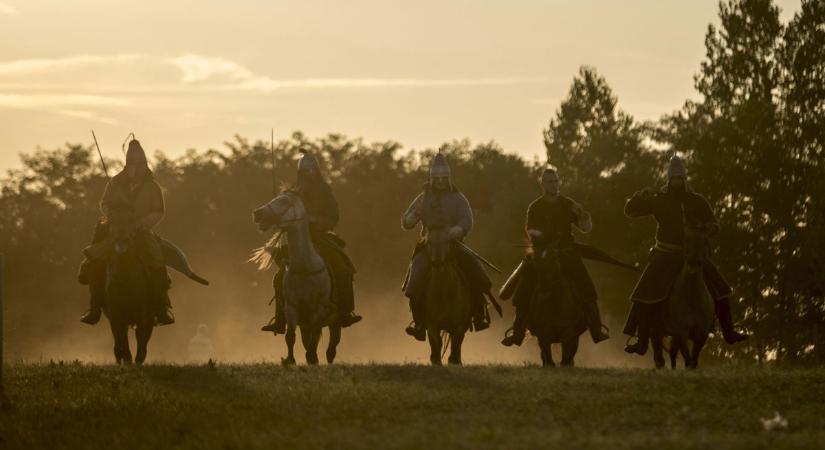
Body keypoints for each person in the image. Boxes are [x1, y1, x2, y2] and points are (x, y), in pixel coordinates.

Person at [623, 155, 748, 355]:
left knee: (721, 289)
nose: (676, 182)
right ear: (668, 179)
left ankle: (729, 331)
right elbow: (630, 211)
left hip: (694, 255)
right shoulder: (658, 200)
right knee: (643, 294)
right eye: (673, 179)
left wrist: (705, 229)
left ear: (684, 179)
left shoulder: (697, 201)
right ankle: (642, 340)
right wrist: (640, 196)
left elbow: (714, 225)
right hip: (665, 255)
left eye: (679, 179)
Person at [501, 168, 610, 346]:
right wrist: (541, 240)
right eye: (550, 182)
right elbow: (530, 230)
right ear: (542, 184)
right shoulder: (535, 207)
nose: (554, 185)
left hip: (566, 253)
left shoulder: (568, 204)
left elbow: (585, 227)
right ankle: (518, 330)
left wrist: (583, 215)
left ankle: (596, 328)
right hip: (541, 254)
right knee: (523, 290)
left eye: (556, 182)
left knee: (586, 286)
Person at [261, 152, 361, 333]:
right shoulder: (292, 193)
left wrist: (316, 221)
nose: (308, 175)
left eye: (311, 171)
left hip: (320, 238)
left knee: (342, 267)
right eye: (304, 172)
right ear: (300, 173)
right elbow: (282, 213)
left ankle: (345, 312)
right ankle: (280, 319)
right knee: (279, 277)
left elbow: (333, 216)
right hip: (295, 241)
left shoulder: (325, 192)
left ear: (317, 172)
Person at [79, 139, 175, 326]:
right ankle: (95, 308)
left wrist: (142, 223)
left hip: (141, 233)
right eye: (132, 163)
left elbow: (158, 211)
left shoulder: (152, 187)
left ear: (144, 163)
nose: (135, 168)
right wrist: (113, 216)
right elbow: (104, 204)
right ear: (127, 163)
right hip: (115, 231)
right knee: (95, 262)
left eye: (139, 163)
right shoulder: (114, 183)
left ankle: (161, 308)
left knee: (157, 261)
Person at [400, 152, 491, 341]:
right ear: (431, 178)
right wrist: (410, 218)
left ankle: (478, 315)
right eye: (437, 178)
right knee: (414, 281)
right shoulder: (422, 198)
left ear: (448, 178)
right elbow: (407, 220)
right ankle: (419, 323)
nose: (440, 181)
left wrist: (456, 230)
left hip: (454, 245)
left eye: (443, 178)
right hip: (429, 246)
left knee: (476, 273)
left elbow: (467, 220)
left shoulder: (459, 198)